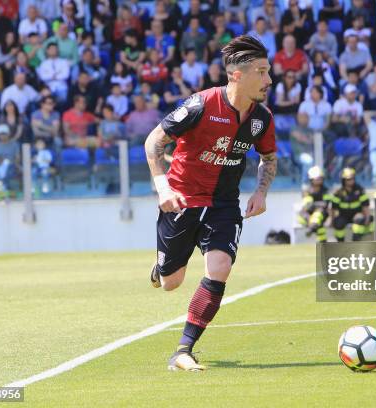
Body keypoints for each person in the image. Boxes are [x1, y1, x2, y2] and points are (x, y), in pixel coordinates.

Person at [144, 35, 276, 371]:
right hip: (182, 199)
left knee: (220, 269)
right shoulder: (200, 105)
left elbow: (269, 158)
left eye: (268, 71)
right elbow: (153, 142)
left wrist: (261, 191)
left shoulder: (261, 118)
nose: (269, 80)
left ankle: (183, 350)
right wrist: (163, 188)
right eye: (261, 72)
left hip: (223, 205)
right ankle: (162, 267)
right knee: (171, 283)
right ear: (237, 75)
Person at [330, 167, 372, 242]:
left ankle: (356, 241)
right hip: (343, 216)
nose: (351, 181)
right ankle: (340, 243)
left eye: (352, 179)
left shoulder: (360, 190)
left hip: (356, 214)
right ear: (343, 180)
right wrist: (332, 221)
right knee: (338, 223)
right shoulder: (338, 192)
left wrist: (367, 218)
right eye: (348, 179)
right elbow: (333, 208)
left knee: (360, 219)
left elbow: (365, 206)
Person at [297, 166, 332, 242]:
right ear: (311, 179)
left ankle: (312, 228)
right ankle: (321, 240)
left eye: (320, 178)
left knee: (319, 212)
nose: (319, 180)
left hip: (322, 214)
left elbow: (325, 204)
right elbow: (308, 206)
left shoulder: (326, 190)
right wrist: (318, 204)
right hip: (308, 215)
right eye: (317, 178)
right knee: (317, 223)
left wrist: (315, 205)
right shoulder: (306, 191)